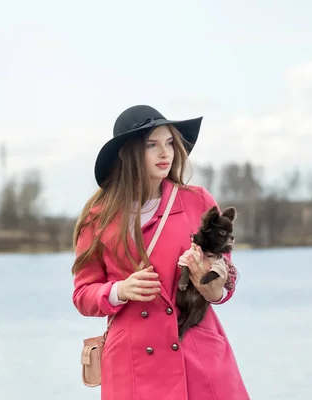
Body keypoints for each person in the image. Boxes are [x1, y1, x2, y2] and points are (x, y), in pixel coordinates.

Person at [71, 105, 250, 400]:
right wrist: (120, 290)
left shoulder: (197, 201)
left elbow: (226, 275)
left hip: (196, 355)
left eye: (169, 143)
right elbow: (83, 295)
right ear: (126, 153)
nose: (164, 153)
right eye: (152, 145)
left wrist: (212, 283)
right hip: (133, 365)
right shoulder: (98, 216)